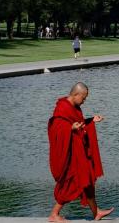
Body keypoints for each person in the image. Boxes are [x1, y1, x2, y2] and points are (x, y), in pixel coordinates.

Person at [47, 82, 113, 221]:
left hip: (79, 151)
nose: (84, 101)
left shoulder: (74, 107)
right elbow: (56, 128)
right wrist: (70, 128)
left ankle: (96, 212)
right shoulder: (62, 108)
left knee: (88, 180)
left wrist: (91, 121)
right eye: (83, 98)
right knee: (72, 183)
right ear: (76, 94)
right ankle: (54, 214)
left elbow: (79, 124)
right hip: (70, 155)